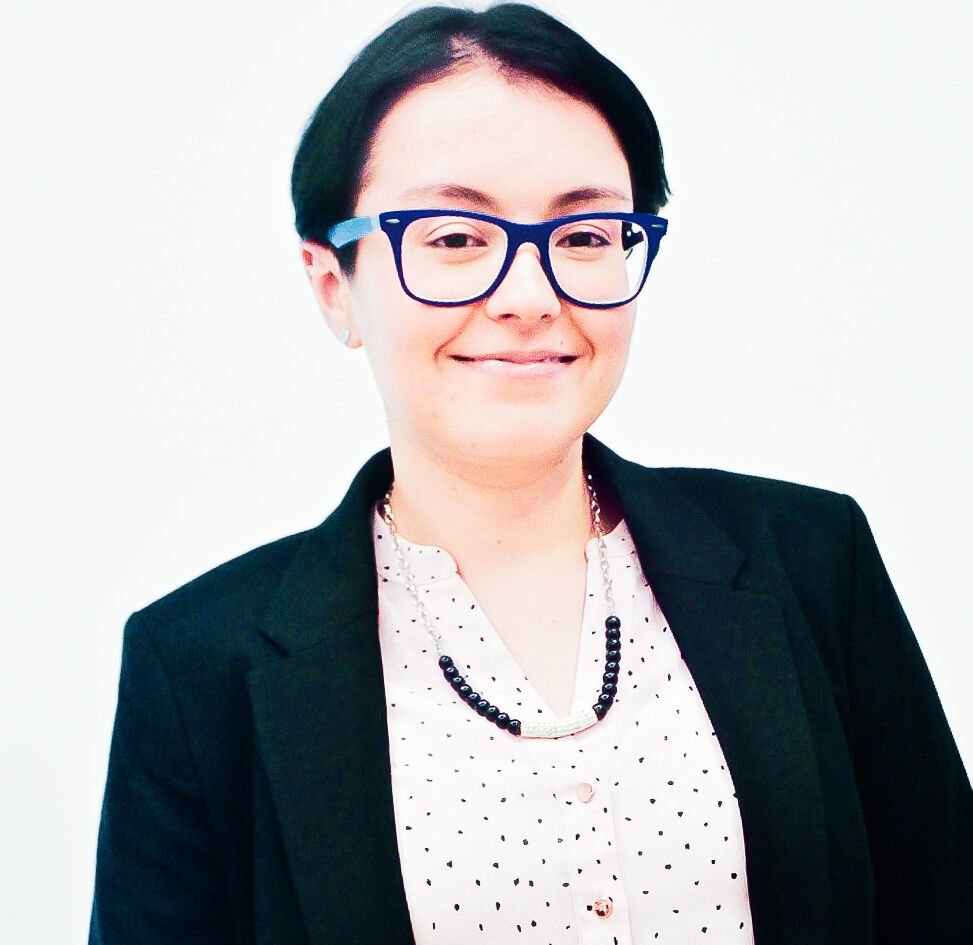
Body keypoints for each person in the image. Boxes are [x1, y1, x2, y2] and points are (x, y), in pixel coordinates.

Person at [88, 4, 973, 944]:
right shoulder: (198, 665)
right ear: (332, 285)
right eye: (453, 238)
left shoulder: (811, 561)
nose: (528, 295)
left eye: (585, 235)